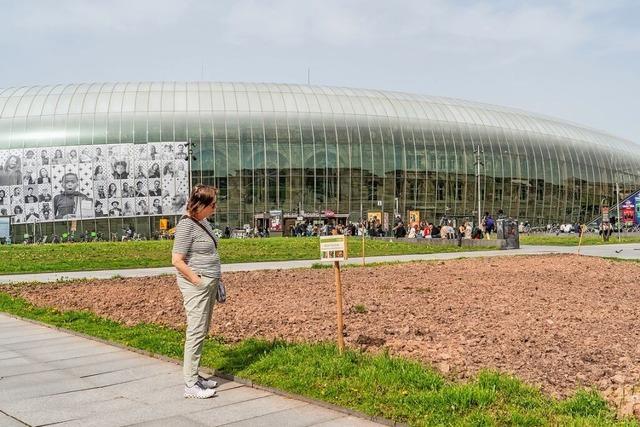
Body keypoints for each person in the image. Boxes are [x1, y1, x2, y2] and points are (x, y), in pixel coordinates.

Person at [171, 184, 220, 399]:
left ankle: (195, 375)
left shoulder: (202, 222)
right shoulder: (186, 226)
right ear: (201, 206)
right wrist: (198, 281)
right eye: (212, 205)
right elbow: (176, 260)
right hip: (196, 287)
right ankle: (190, 384)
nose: (215, 208)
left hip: (208, 283)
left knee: (202, 329)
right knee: (196, 331)